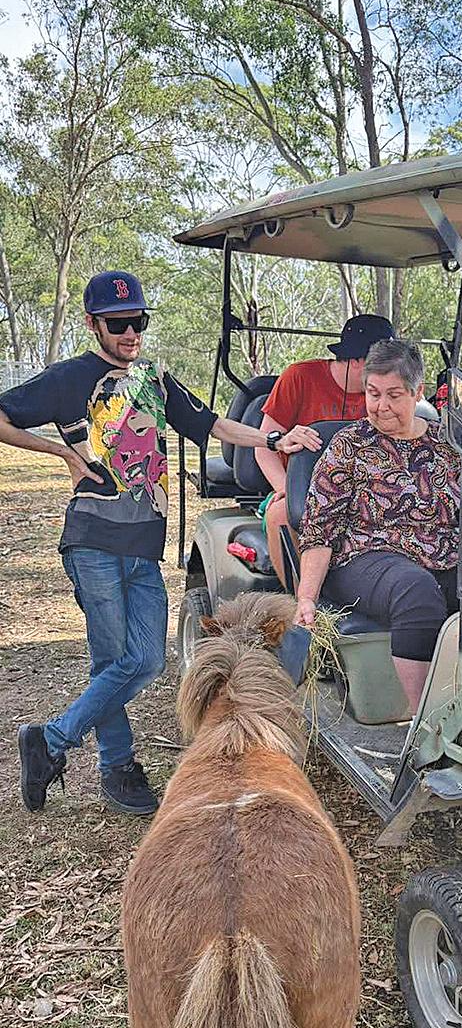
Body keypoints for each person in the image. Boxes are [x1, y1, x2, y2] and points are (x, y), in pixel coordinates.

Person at [0, 270, 314, 816]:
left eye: (138, 321)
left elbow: (213, 425)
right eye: (119, 323)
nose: (131, 333)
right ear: (93, 324)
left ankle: (50, 739)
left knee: (143, 660)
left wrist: (273, 437)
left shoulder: (155, 380)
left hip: (144, 546)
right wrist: (64, 453)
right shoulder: (69, 378)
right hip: (93, 540)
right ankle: (117, 766)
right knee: (113, 659)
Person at [293, 337, 462, 713]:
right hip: (365, 558)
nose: (380, 406)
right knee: (415, 590)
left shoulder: (447, 443)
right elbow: (320, 528)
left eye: (394, 395)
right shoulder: (348, 446)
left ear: (417, 393)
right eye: (373, 393)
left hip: (442, 555)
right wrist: (307, 597)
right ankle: (426, 724)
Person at [255, 313, 395, 587]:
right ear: (356, 361)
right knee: (281, 514)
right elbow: (264, 445)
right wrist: (285, 489)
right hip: (303, 489)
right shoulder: (300, 377)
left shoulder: (388, 394)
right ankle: (303, 600)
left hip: (367, 491)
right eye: (382, 364)